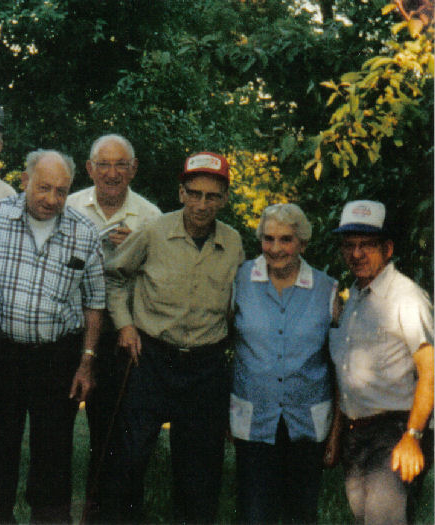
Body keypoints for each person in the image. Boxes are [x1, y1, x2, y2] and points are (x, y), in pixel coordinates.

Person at [102, 151, 244, 523]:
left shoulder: (233, 244)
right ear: (180, 193)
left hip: (205, 365)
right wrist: (125, 325)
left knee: (200, 468)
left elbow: (237, 304)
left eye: (212, 196)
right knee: (130, 456)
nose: (201, 204)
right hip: (150, 358)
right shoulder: (154, 231)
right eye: (194, 193)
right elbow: (115, 275)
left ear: (225, 199)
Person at [0, 149, 106, 524]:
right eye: (43, 188)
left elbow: (94, 303)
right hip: (2, 352)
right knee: (0, 446)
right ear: (25, 181)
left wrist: (87, 362)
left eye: (61, 191)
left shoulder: (83, 232)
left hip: (56, 357)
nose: (51, 199)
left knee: (53, 449)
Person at [66, 134, 160, 516]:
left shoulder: (151, 217)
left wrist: (133, 250)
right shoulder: (69, 207)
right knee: (57, 431)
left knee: (117, 436)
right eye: (103, 164)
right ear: (89, 168)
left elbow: (156, 280)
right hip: (71, 335)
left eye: (121, 164)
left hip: (123, 337)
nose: (112, 172)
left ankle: (114, 514)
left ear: (134, 169)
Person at [230, 203, 338, 524]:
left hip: (306, 420)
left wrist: (336, 433)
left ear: (302, 243)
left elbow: (339, 364)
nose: (275, 249)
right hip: (254, 417)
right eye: (268, 239)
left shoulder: (326, 290)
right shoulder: (240, 280)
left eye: (286, 240)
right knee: (254, 513)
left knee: (300, 514)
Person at [328, 200, 433, 525]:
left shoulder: (406, 298)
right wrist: (336, 436)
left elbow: (431, 371)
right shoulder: (356, 295)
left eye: (367, 245)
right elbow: (346, 375)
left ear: (387, 249)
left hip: (396, 432)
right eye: (349, 245)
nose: (356, 254)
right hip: (356, 436)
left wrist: (413, 438)